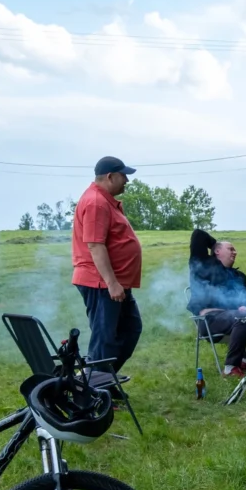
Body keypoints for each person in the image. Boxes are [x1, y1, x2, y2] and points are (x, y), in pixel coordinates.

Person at [72, 156, 142, 378]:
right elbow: (95, 245)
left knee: (130, 329)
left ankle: (103, 381)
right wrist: (112, 283)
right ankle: (95, 391)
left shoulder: (104, 201)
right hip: (102, 283)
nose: (127, 181)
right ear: (111, 176)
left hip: (114, 283)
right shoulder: (95, 202)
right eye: (124, 176)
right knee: (105, 339)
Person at [188, 229, 246, 378]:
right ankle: (230, 368)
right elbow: (198, 234)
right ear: (217, 252)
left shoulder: (240, 276)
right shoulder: (204, 266)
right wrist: (214, 245)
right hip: (210, 321)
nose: (235, 252)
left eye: (235, 249)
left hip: (236, 319)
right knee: (244, 317)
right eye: (230, 249)